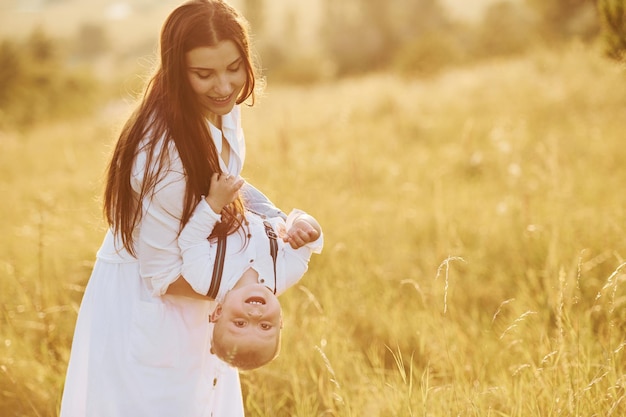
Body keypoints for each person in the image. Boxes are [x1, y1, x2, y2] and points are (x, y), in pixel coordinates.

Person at [59, 1, 320, 416]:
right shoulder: (161, 154)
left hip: (202, 290)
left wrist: (278, 221)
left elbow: (227, 183)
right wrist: (246, 291)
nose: (223, 85)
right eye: (204, 74)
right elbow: (161, 273)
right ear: (176, 70)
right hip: (150, 301)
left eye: (234, 67)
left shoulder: (218, 109)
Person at [176, 203, 323, 371]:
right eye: (265, 326)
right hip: (257, 203)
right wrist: (303, 226)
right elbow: (311, 234)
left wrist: (214, 202)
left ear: (218, 312)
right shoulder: (287, 272)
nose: (254, 314)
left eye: (240, 323)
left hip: (213, 199)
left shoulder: (204, 279)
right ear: (280, 319)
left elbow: (190, 240)